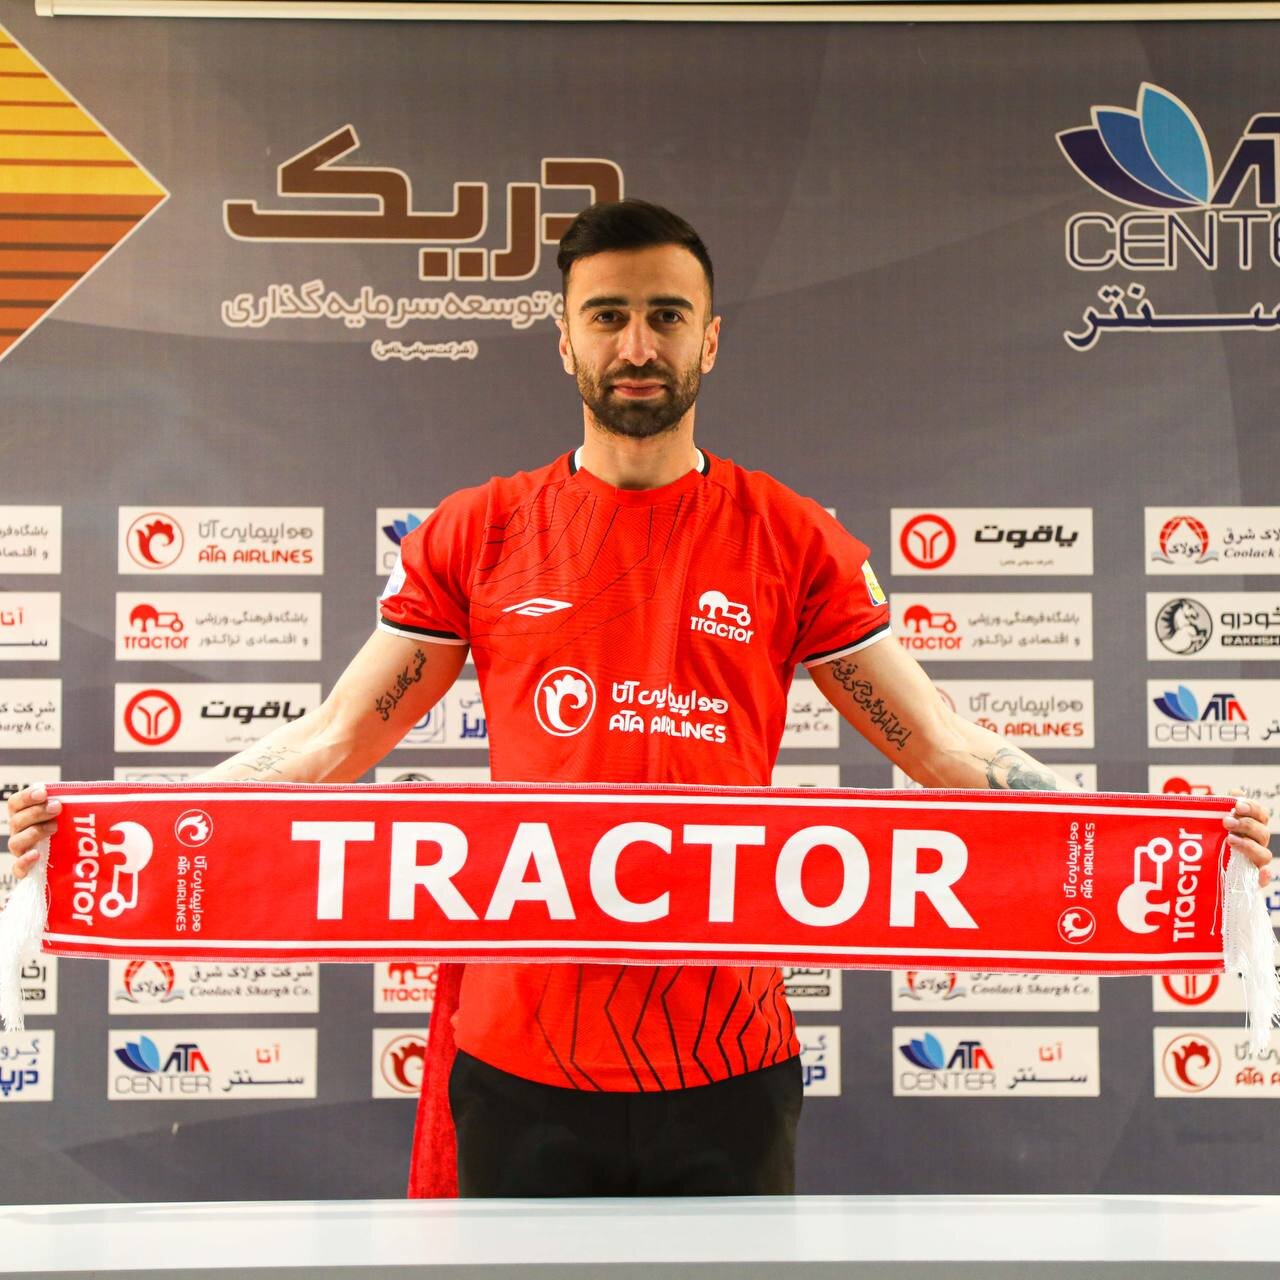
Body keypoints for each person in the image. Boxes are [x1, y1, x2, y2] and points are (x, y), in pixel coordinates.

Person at [6, 199, 1273, 1197]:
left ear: (708, 340)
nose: (635, 344)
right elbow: (333, 742)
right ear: (562, 338)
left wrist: (1168, 842)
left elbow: (940, 747)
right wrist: (114, 827)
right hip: (518, 1053)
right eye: (606, 315)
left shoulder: (789, 536)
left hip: (726, 1054)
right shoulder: (480, 530)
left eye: (666, 315)